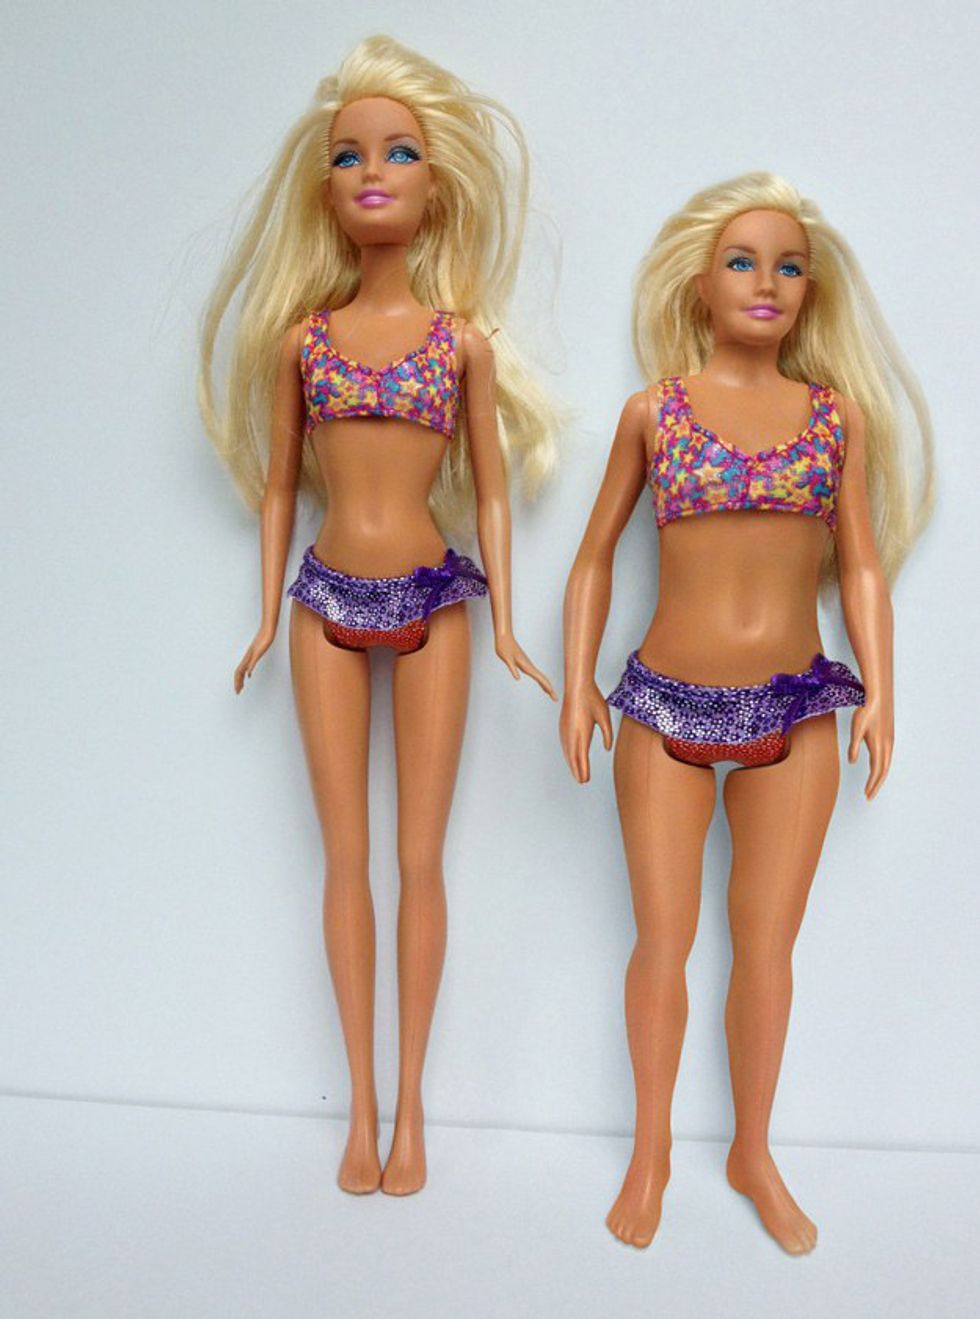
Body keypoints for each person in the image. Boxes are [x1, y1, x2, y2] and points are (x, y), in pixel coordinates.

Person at [200, 34, 559, 1197]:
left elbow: (489, 492)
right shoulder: (302, 342)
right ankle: (358, 1110)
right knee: (345, 858)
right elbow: (277, 487)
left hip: (434, 600)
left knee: (418, 859)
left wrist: (506, 621)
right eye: (349, 154)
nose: (371, 173)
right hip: (320, 604)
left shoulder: (461, 344)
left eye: (397, 152)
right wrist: (265, 616)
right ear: (324, 187)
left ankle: (413, 1115)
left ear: (434, 184)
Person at [560, 171, 933, 1252]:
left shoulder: (832, 418)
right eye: (741, 260)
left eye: (788, 265)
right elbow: (592, 555)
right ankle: (650, 1150)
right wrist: (578, 681)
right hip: (662, 705)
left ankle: (752, 1150)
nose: (765, 282)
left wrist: (881, 690)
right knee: (662, 940)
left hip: (797, 709)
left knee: (766, 945)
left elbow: (859, 566)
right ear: (699, 283)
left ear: (810, 291)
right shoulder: (654, 412)